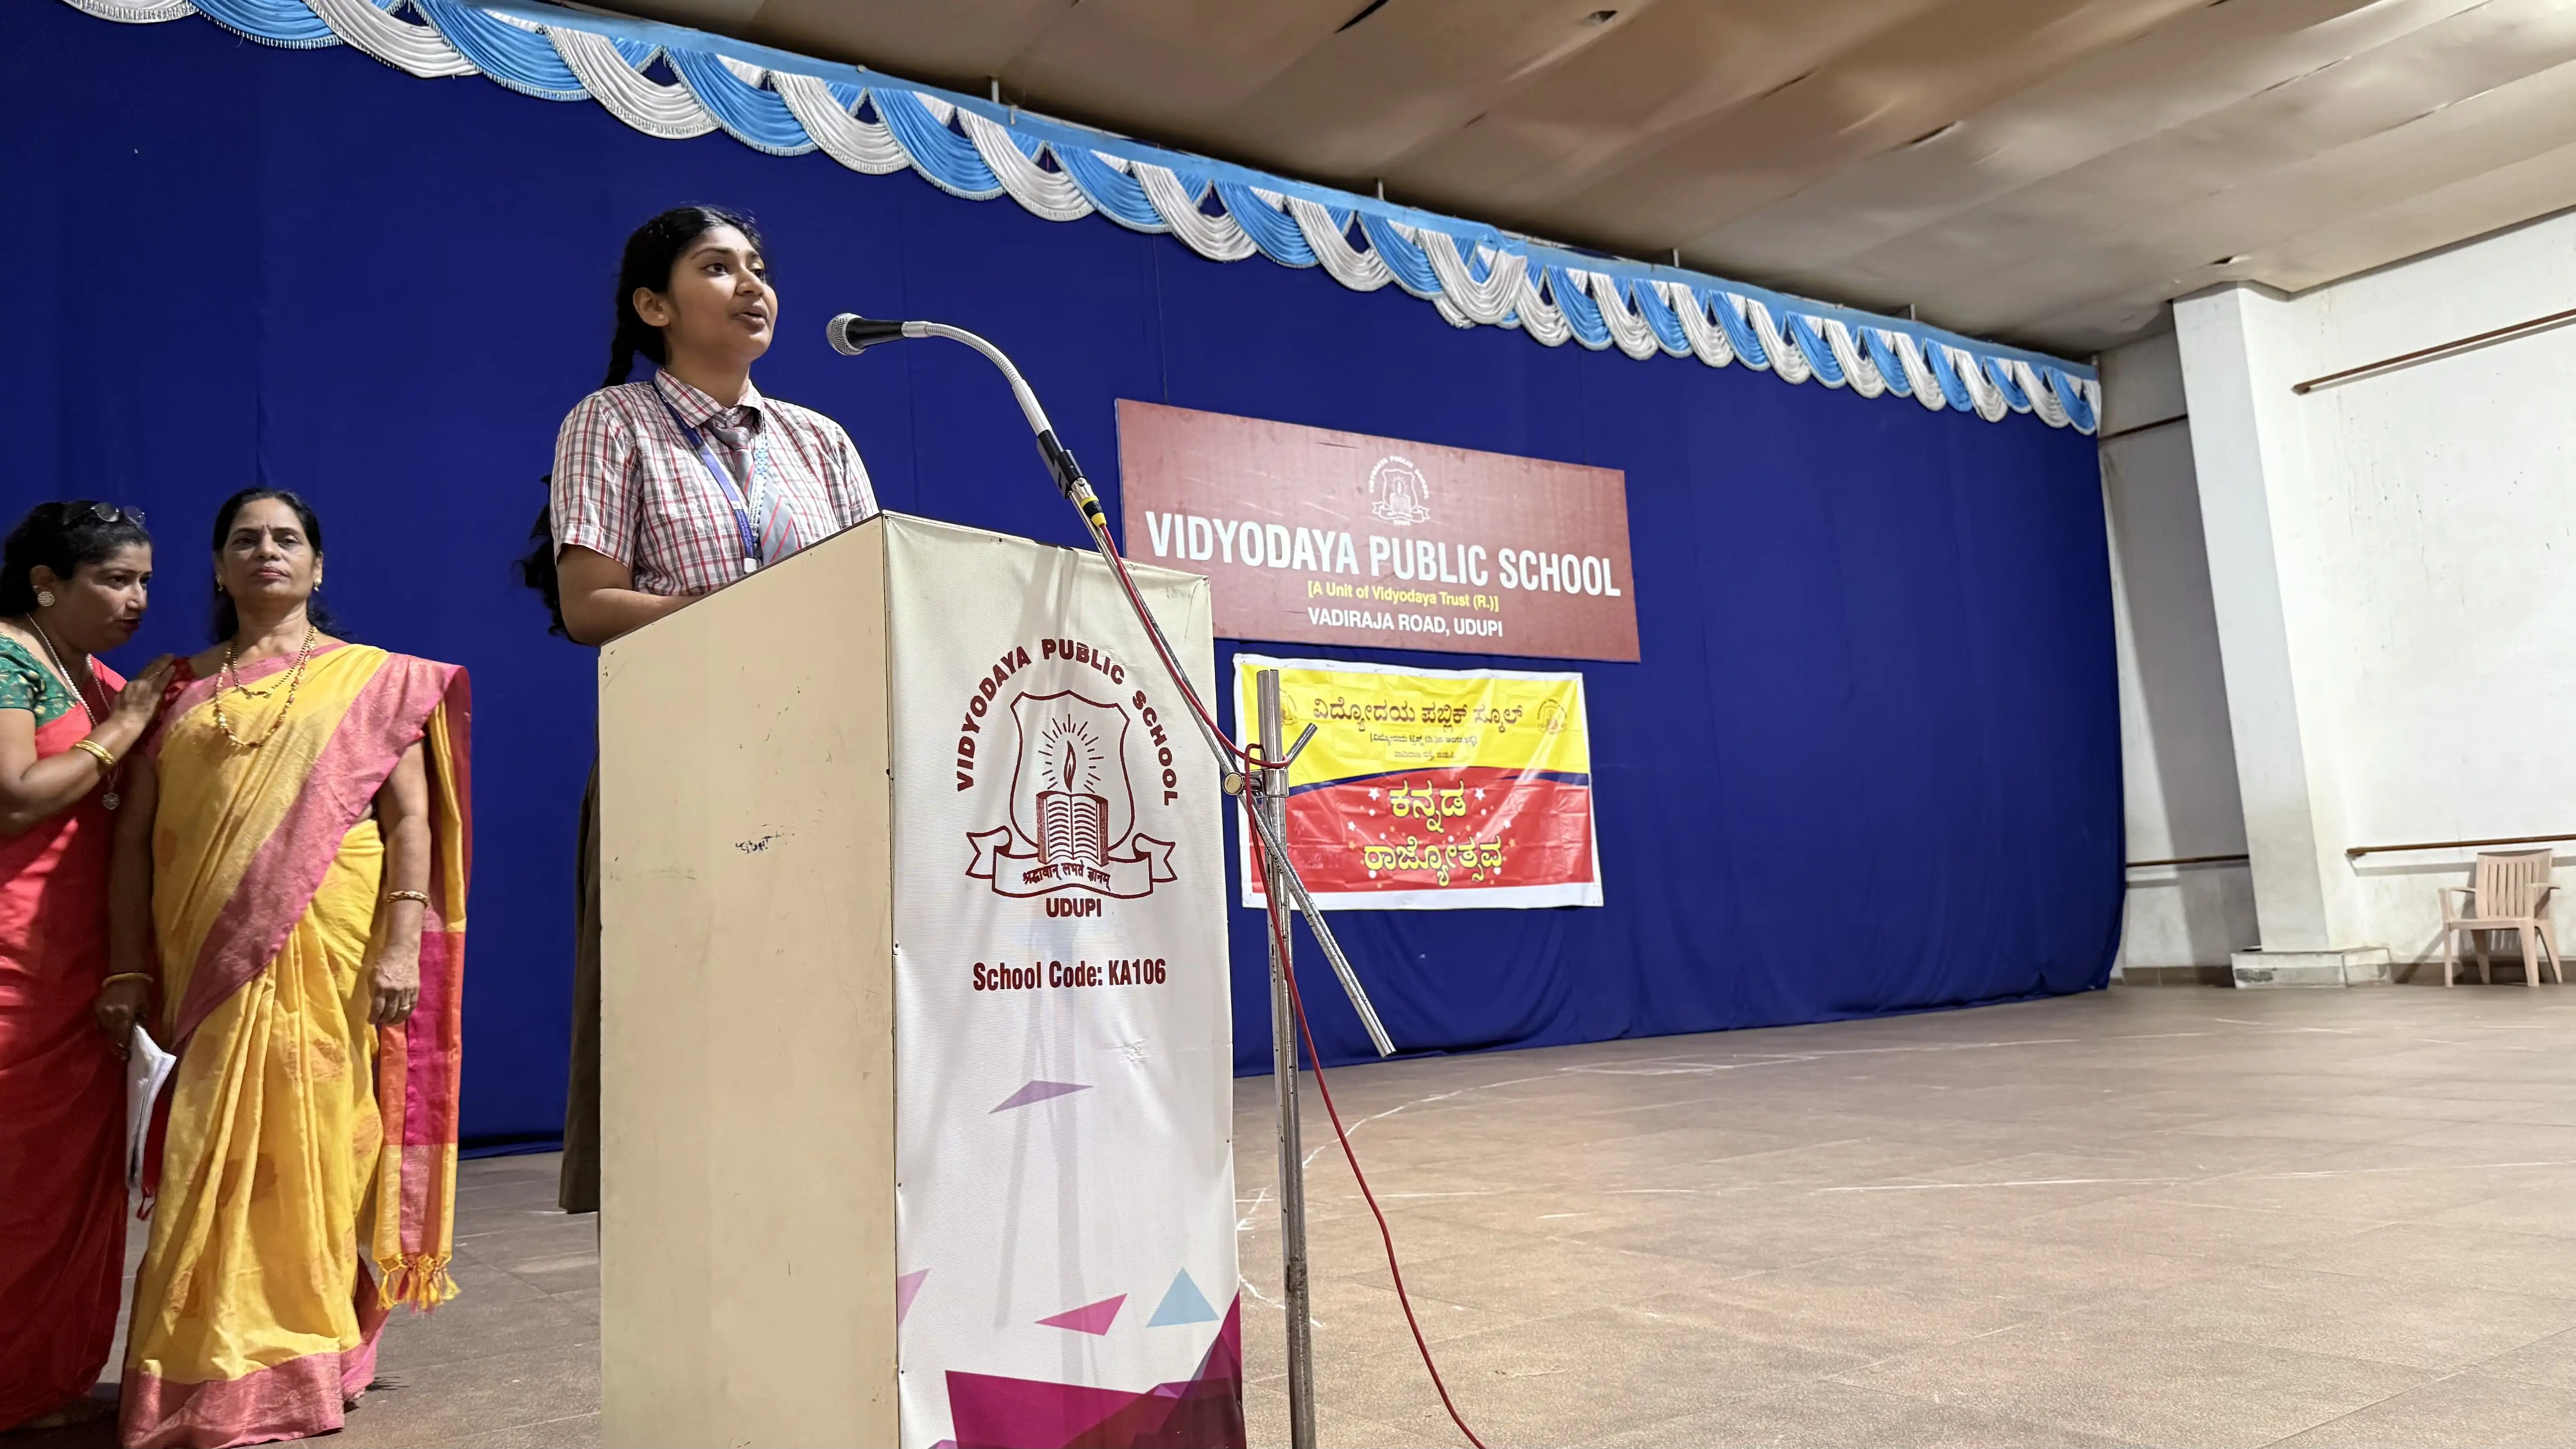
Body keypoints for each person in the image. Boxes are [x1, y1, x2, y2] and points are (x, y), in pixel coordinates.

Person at [526, 203, 879, 1213]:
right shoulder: (612, 423)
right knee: (682, 1044)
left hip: (821, 761)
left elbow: (866, 599)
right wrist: (754, 607)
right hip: (679, 764)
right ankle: (679, 1248)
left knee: (819, 1029)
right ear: (654, 305)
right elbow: (589, 605)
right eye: (717, 268)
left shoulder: (821, 442)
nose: (752, 284)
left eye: (759, 266)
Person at [108, 489, 471, 1449]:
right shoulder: (174, 690)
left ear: (318, 567)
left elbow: (409, 820)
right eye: (244, 540)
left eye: (286, 539)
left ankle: (305, 1348)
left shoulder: (367, 682)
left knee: (323, 1138)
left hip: (332, 938)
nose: (266, 552)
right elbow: (135, 844)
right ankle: (204, 1365)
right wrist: (124, 971)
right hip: (204, 956)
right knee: (205, 1155)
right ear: (221, 571)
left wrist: (402, 938)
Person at [0, 502, 173, 1432]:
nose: (138, 596)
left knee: (71, 1185)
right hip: (13, 963)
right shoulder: (4, 657)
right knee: (14, 1181)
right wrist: (124, 728)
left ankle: (44, 1378)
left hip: (87, 969)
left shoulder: (100, 676)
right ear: (45, 584)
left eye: (145, 577)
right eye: (115, 578)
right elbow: (16, 800)